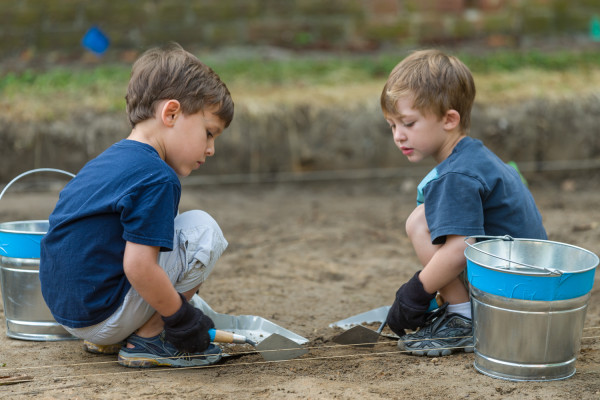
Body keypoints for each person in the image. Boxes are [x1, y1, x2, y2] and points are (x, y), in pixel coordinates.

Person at [39, 42, 234, 368]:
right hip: (101, 313)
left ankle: (117, 335)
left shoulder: (113, 158)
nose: (211, 149)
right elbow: (139, 267)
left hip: (69, 313)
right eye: (209, 133)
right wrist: (181, 320)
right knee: (203, 231)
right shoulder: (158, 177)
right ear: (171, 113)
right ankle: (151, 338)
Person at [380, 49, 547, 357]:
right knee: (423, 217)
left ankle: (463, 317)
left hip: (515, 293)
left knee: (419, 221)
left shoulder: (455, 174)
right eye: (392, 125)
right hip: (527, 282)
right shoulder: (473, 157)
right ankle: (462, 309)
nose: (398, 136)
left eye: (408, 123)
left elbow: (460, 250)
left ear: (449, 119)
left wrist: (414, 293)